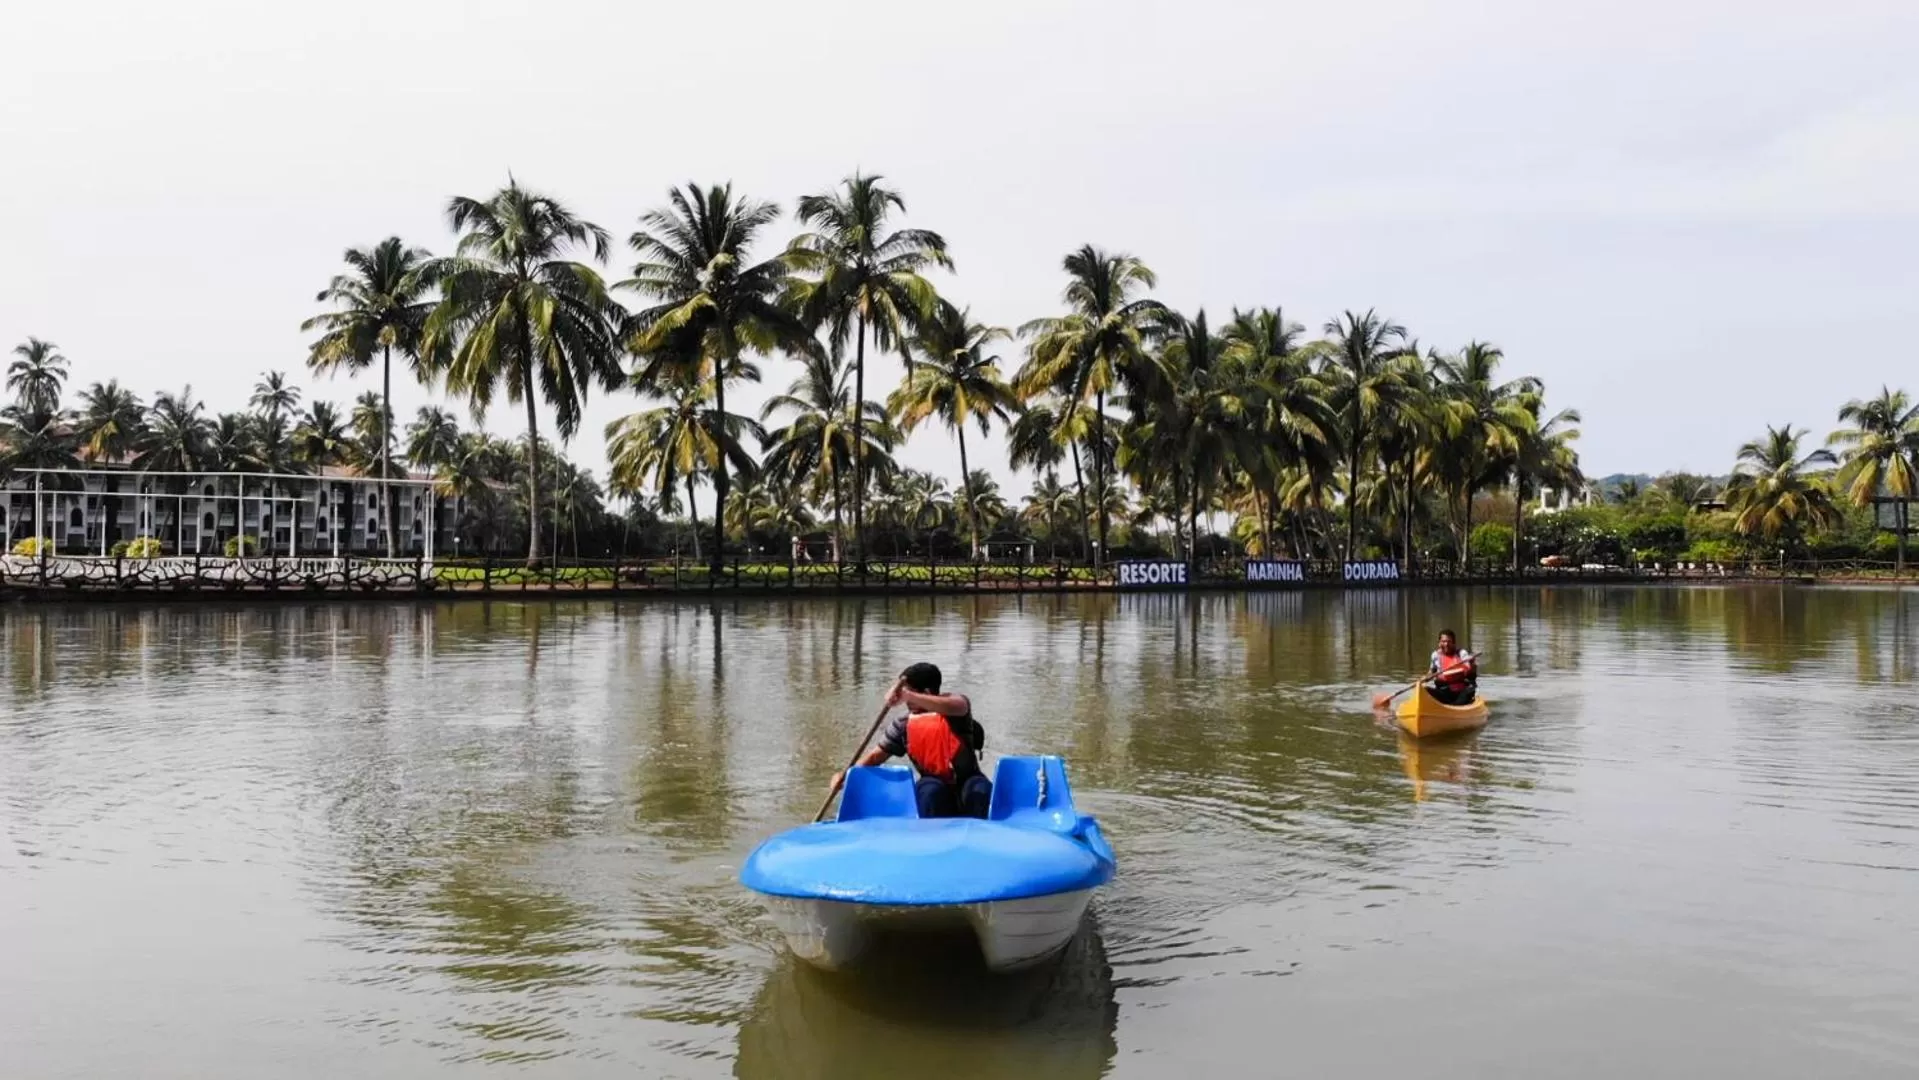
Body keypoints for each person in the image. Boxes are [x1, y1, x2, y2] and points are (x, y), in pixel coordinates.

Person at [831, 663, 991, 819]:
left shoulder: (955, 709)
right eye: (904, 695)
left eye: (909, 694)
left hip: (968, 779)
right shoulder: (903, 724)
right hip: (933, 782)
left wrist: (909, 695)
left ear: (927, 692)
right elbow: (875, 757)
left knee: (979, 790)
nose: (905, 701)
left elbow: (959, 706)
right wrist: (846, 776)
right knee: (930, 793)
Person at [1428, 629, 1478, 705]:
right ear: (1439, 643)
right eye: (1443, 641)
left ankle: (1456, 706)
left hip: (1461, 690)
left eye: (1449, 641)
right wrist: (1425, 678)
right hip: (1443, 691)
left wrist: (1472, 664)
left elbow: (1469, 669)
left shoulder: (1462, 653)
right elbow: (1431, 671)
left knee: (1466, 693)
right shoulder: (1435, 655)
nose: (1446, 644)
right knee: (1426, 690)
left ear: (1454, 643)